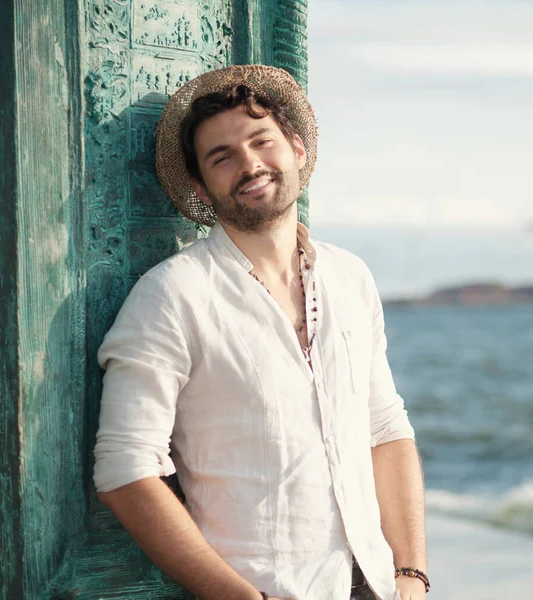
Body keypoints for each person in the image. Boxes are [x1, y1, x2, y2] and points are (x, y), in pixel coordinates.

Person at [93, 64, 428, 600]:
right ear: (203, 186)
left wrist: (412, 574)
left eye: (260, 141)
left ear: (295, 149)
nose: (249, 164)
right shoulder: (172, 296)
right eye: (221, 157)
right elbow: (125, 470)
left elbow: (385, 429)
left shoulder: (350, 277)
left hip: (381, 585)